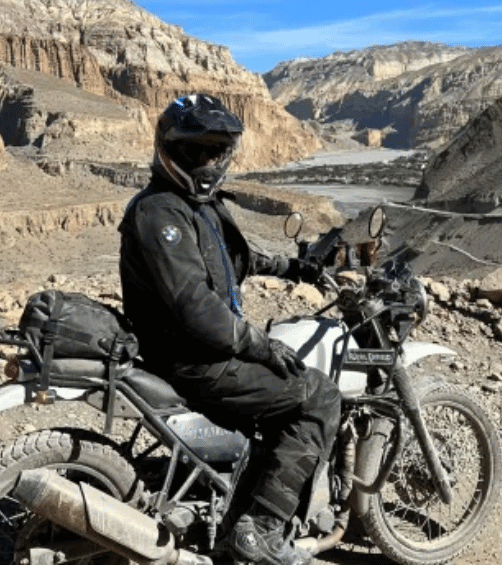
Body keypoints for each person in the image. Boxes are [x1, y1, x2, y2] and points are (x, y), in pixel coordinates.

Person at [118, 93, 342, 565]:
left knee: (281, 394)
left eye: (215, 150)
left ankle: (233, 524)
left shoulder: (198, 205)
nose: (205, 161)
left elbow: (237, 257)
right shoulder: (160, 212)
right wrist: (258, 345)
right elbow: (196, 306)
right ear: (168, 149)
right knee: (318, 395)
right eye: (194, 150)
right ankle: (260, 529)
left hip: (207, 347)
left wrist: (296, 268)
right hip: (192, 359)